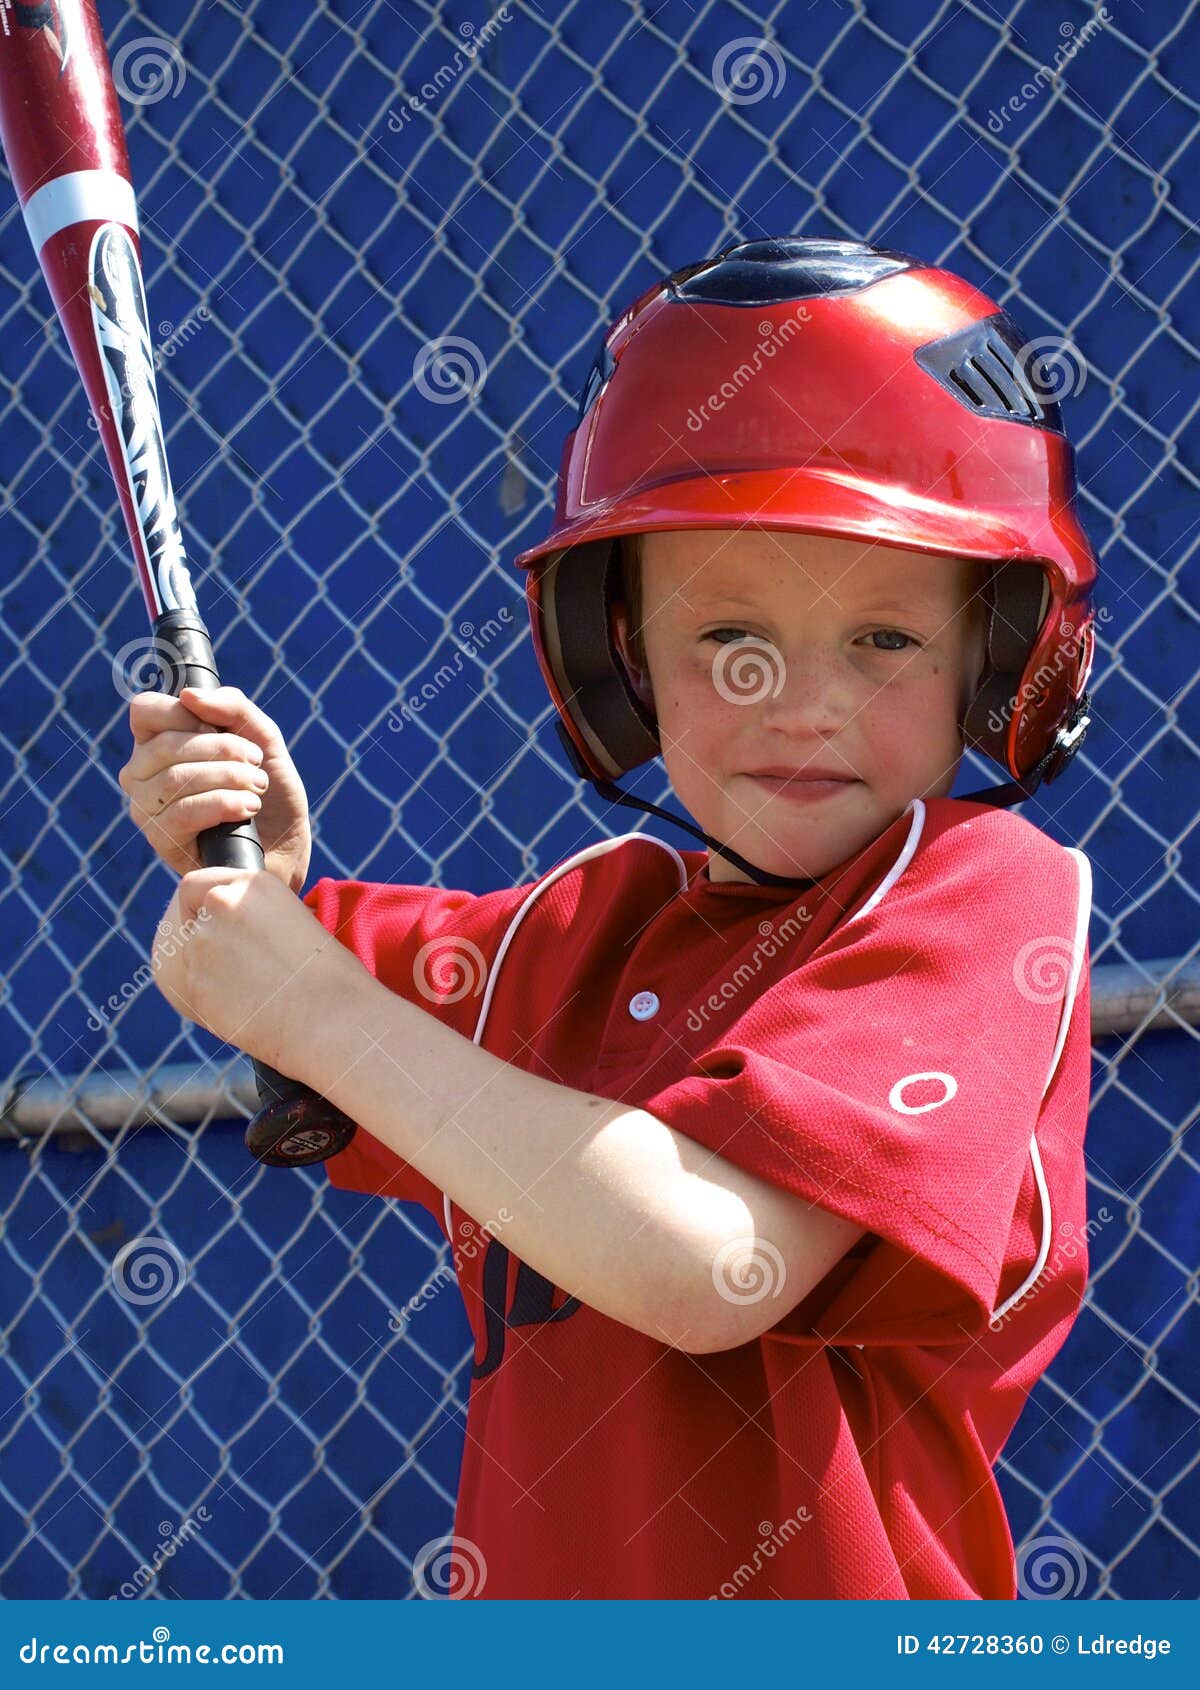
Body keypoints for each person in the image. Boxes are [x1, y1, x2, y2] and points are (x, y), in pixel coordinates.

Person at [120, 236, 1099, 1600]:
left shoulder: (980, 896)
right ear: (623, 654)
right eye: (725, 638)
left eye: (883, 637)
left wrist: (311, 1002)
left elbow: (715, 1262)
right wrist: (253, 875)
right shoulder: (568, 934)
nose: (799, 699)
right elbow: (272, 982)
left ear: (997, 660)